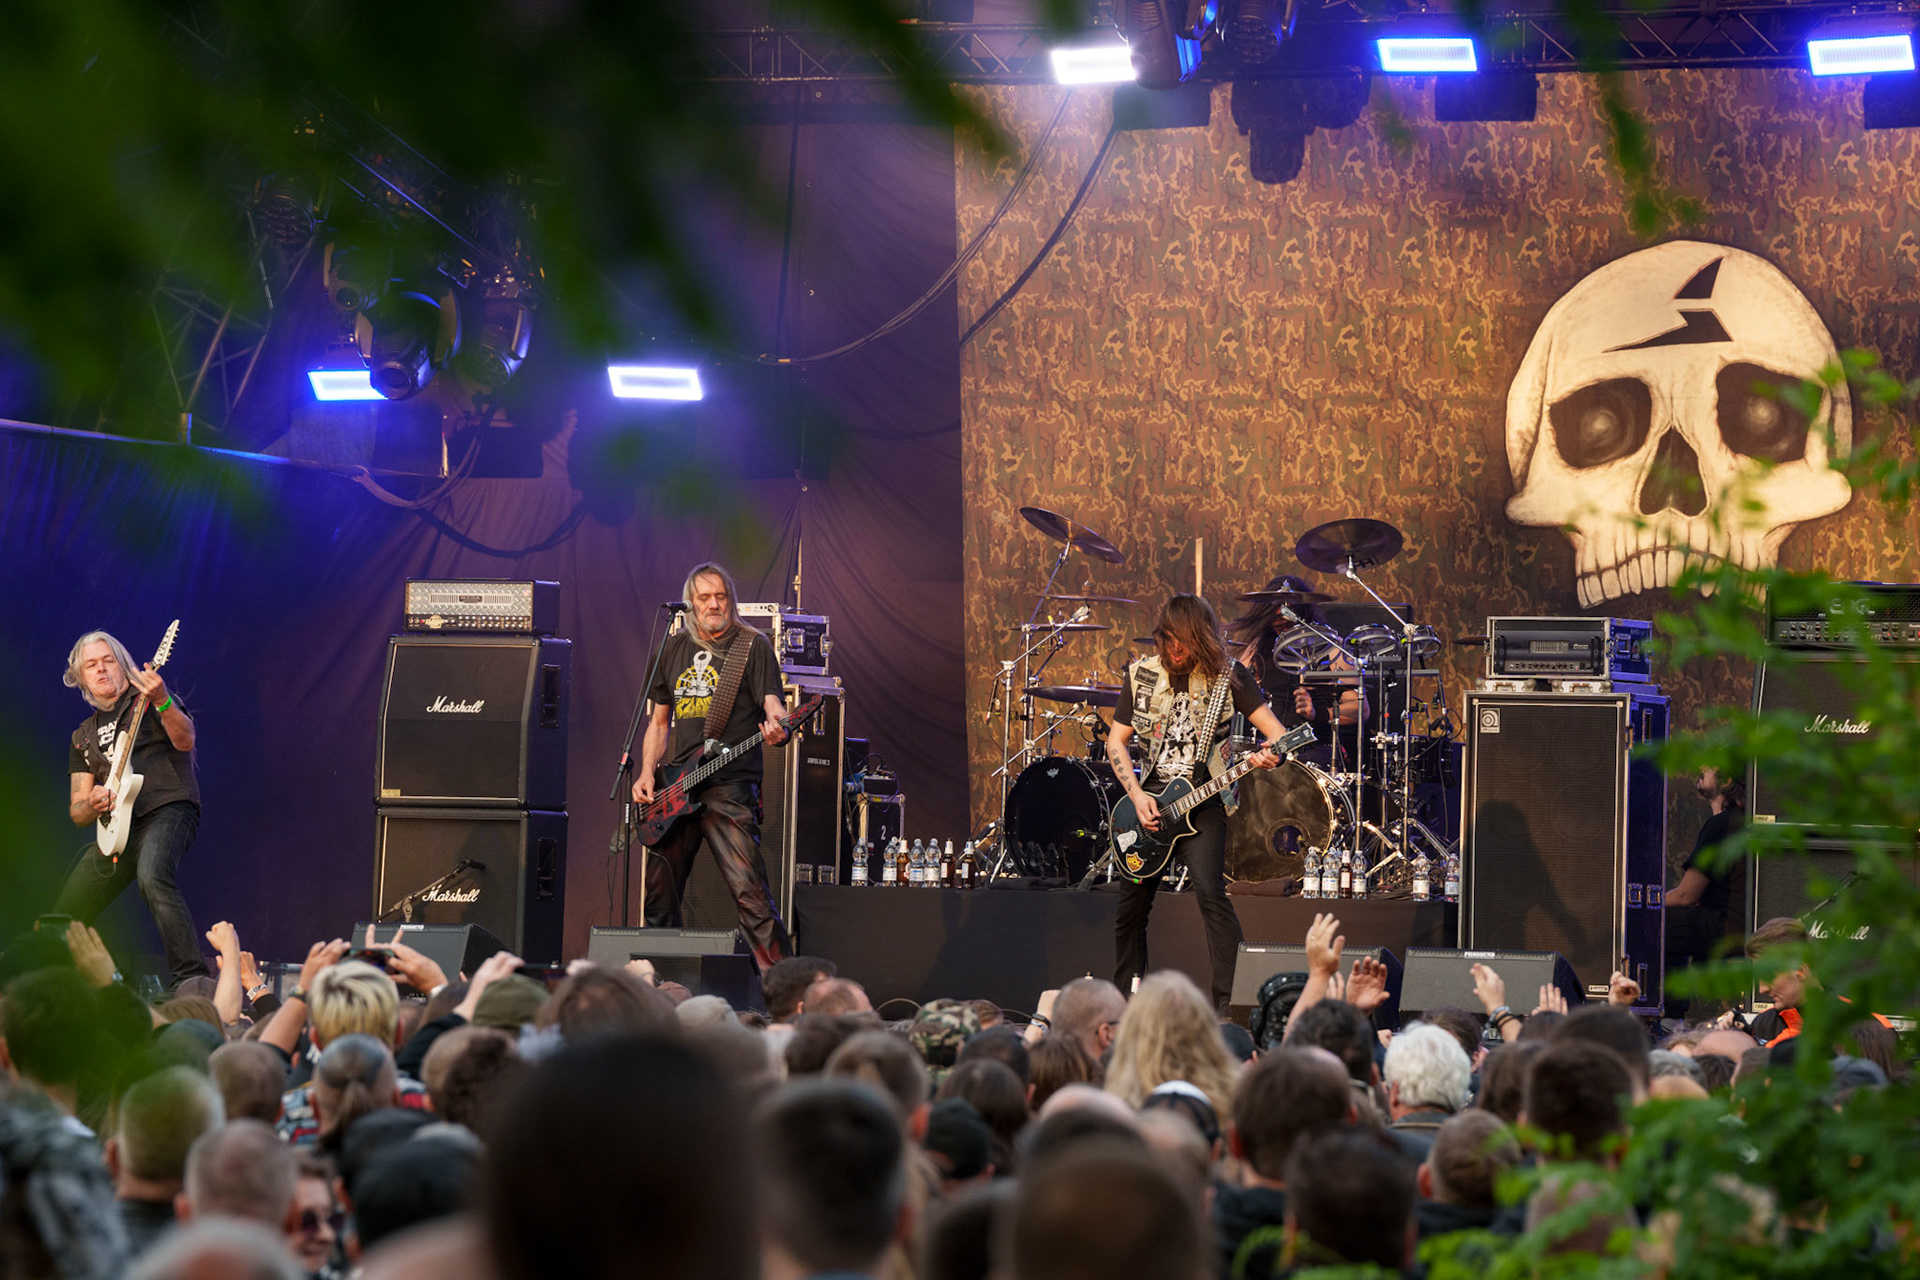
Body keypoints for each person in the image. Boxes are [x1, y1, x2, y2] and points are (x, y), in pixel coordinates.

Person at [1106, 594, 1294, 1007]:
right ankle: (1126, 1002)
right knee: (1131, 907)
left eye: (1184, 640)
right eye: (1168, 639)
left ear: (1203, 637)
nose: (1175, 649)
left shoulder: (1231, 677)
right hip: (1149, 806)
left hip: (1203, 803)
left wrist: (1270, 754)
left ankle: (1231, 1004)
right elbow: (1115, 741)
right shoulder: (1141, 675)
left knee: (1211, 895)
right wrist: (1136, 794)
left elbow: (1278, 735)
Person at [633, 563, 793, 970]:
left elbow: (773, 703)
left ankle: (785, 993)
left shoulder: (752, 646)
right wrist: (648, 772)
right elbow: (658, 722)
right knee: (658, 896)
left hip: (730, 784)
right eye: (704, 598)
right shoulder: (672, 648)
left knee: (750, 894)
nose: (714, 604)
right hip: (677, 788)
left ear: (730, 599)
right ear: (691, 603)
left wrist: (780, 725)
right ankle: (661, 987)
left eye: (720, 596)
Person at [56, 630, 209, 986]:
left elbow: (185, 741)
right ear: (81, 679)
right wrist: (93, 803)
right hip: (117, 828)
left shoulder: (146, 698)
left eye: (108, 660)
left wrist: (163, 700)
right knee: (64, 915)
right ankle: (87, 985)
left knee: (153, 876)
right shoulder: (82, 737)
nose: (102, 669)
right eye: (91, 665)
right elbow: (77, 811)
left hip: (168, 806)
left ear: (124, 665)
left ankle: (192, 980)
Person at [1224, 574, 1364, 767]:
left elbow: (1361, 709)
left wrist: (1319, 712)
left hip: (1314, 745)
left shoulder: (1331, 647)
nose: (1280, 618)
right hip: (1270, 747)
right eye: (1274, 614)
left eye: (1286, 613)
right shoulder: (1257, 647)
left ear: (1302, 611)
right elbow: (1238, 690)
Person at [1664, 765, 1747, 1017]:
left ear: (1727, 779)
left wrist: (1641, 905)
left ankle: (1669, 1016)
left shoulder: (1722, 825)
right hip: (1745, 928)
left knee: (1661, 922)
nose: (1699, 767)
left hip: (1730, 931)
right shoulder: (1740, 822)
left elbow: (1686, 895)